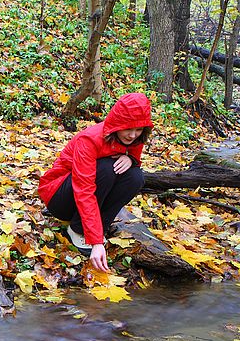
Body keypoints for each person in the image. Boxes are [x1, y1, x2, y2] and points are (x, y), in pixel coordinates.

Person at [38, 92, 154, 272]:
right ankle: (77, 230)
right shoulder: (90, 139)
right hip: (59, 195)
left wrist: (131, 159)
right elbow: (84, 189)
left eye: (138, 130)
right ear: (117, 123)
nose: (132, 135)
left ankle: (100, 227)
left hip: (83, 196)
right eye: (128, 129)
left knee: (135, 177)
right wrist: (96, 241)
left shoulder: (135, 138)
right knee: (107, 169)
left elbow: (134, 161)